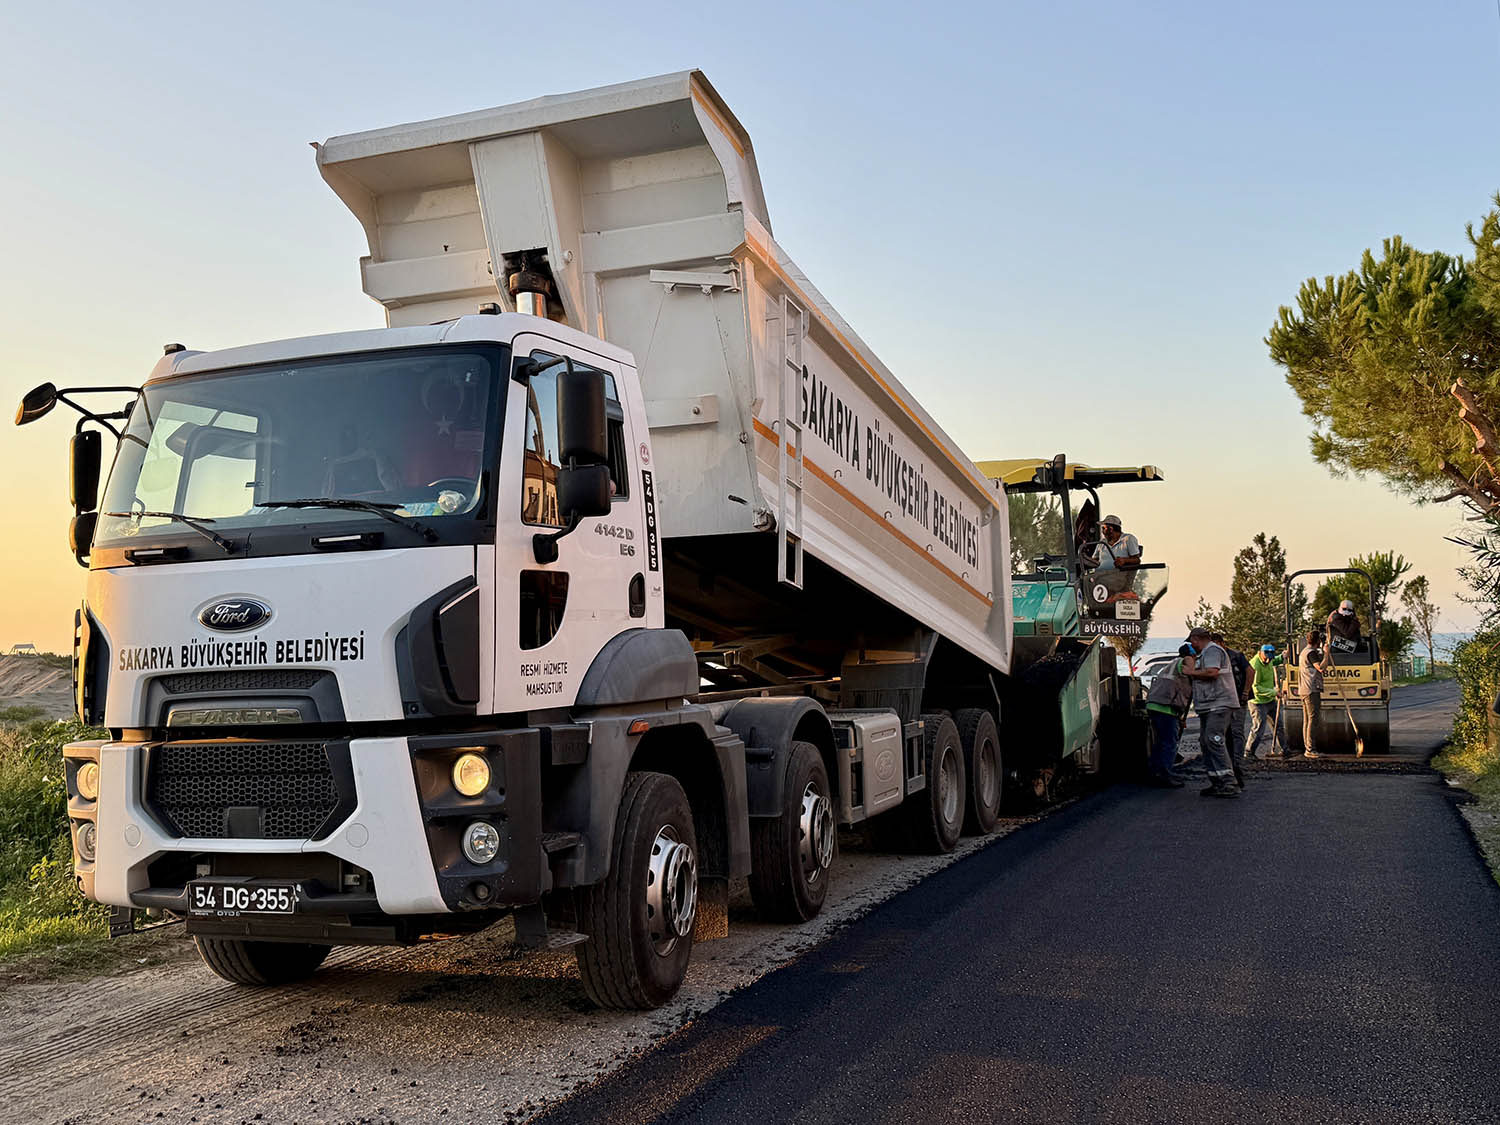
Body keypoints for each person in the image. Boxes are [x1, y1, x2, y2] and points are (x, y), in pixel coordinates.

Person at [1185, 627, 1240, 798]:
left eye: (1192, 642)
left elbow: (1212, 673)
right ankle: (1217, 781)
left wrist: (1191, 672)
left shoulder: (1213, 651)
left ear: (1196, 639)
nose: (1192, 646)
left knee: (1213, 739)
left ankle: (1229, 783)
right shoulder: (1205, 654)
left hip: (1219, 704)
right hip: (1209, 705)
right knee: (1205, 741)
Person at [1144, 644, 1194, 787]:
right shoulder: (1185, 661)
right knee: (1169, 743)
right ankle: (1165, 775)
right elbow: (1190, 671)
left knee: (1161, 742)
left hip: (1155, 705)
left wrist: (1180, 717)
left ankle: (1154, 773)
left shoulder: (1172, 664)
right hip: (1166, 707)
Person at [1212, 633, 1253, 786]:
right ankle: (1229, 765)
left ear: (1222, 643)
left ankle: (1237, 765)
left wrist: (1245, 692)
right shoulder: (1217, 657)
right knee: (1225, 734)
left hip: (1236, 700)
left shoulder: (1235, 655)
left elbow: (1250, 671)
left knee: (1236, 733)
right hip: (1223, 701)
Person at [1246, 644, 1287, 759]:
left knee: (1278, 725)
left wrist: (1282, 657)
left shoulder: (1269, 660)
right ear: (1260, 653)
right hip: (1258, 702)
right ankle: (1249, 752)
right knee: (1258, 728)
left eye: (1270, 657)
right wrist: (1274, 692)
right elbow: (1256, 688)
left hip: (1269, 700)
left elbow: (1273, 662)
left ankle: (1284, 750)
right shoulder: (1255, 665)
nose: (1268, 660)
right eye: (1266, 657)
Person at [1298, 632, 1326, 759]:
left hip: (1303, 689)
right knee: (1313, 719)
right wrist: (1327, 653)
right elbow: (1320, 668)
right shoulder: (1311, 653)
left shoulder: (1304, 651)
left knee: (1307, 720)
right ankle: (1310, 749)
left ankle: (1307, 747)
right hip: (1311, 689)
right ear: (1318, 641)